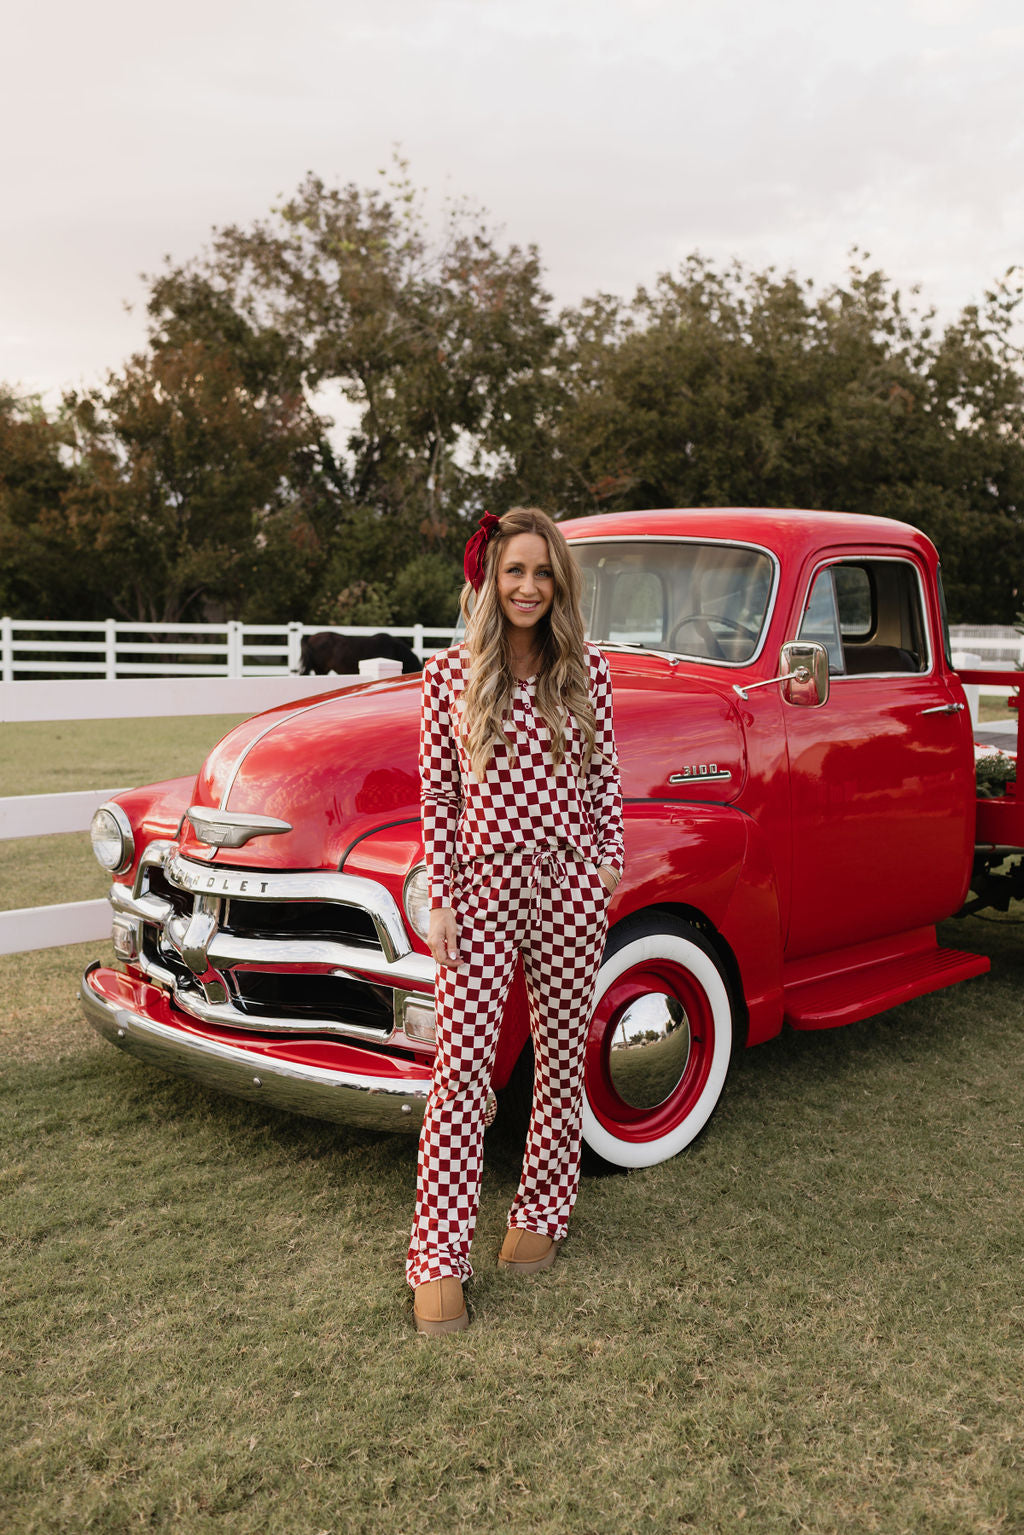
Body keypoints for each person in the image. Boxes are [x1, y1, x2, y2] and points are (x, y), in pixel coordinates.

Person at [407, 506, 625, 1334]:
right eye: (514, 571)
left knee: (561, 1058)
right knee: (463, 1073)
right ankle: (437, 1256)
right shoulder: (448, 677)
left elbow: (605, 778)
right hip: (483, 886)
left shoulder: (588, 675)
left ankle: (540, 1215)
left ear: (558, 582)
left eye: (542, 572)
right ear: (490, 582)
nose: (528, 586)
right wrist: (444, 896)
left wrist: (606, 859)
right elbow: (437, 798)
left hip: (570, 883)